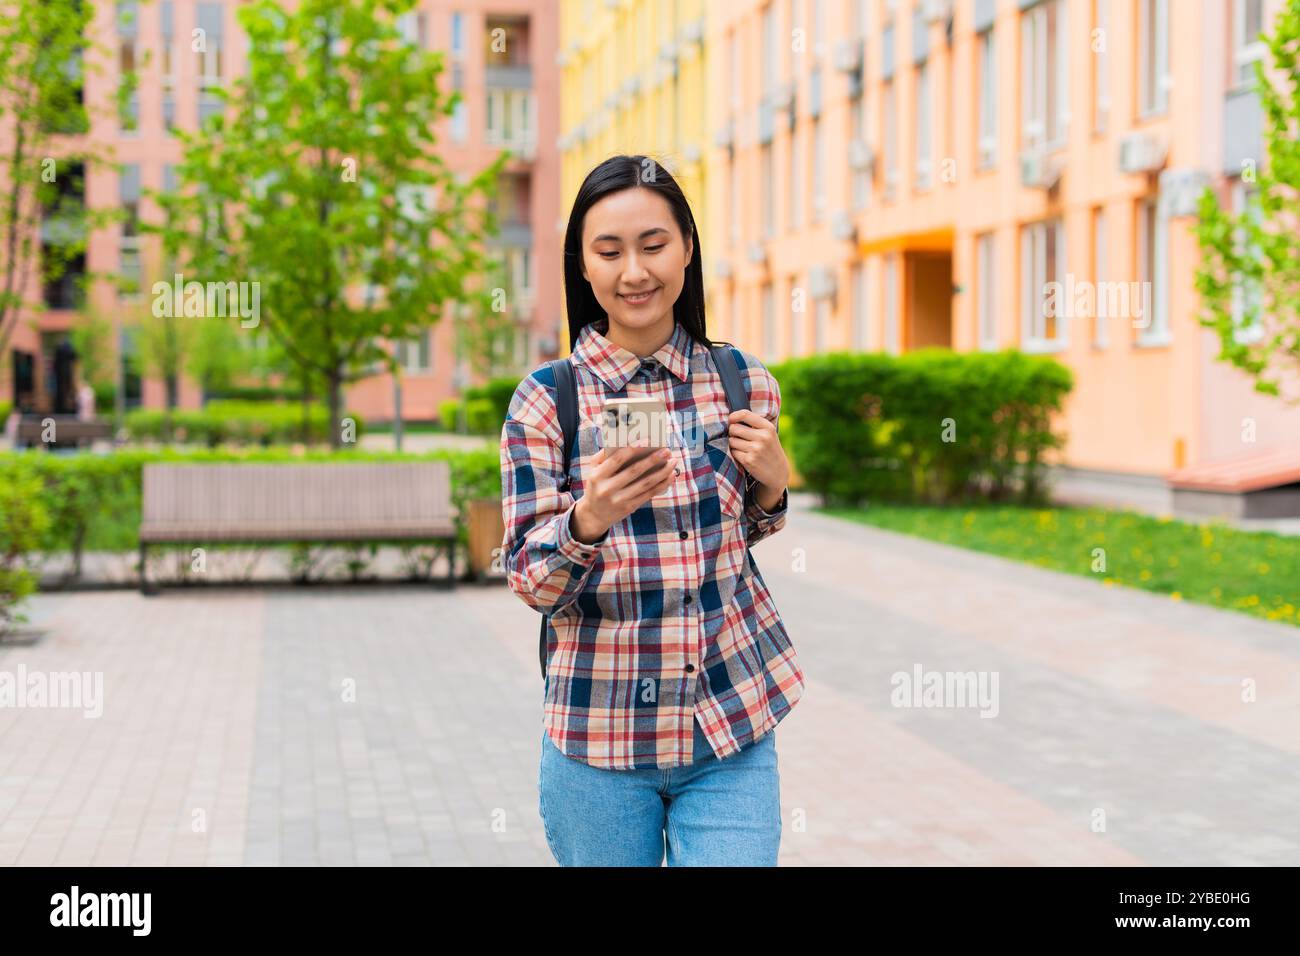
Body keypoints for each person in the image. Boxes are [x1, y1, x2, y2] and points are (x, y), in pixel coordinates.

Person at [499, 155, 805, 866]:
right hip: (598, 739)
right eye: (609, 251)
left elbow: (743, 533)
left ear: (688, 248)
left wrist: (771, 486)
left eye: (654, 244)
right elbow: (531, 583)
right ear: (582, 264)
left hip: (728, 722)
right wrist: (589, 520)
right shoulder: (548, 401)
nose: (634, 271)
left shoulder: (741, 380)